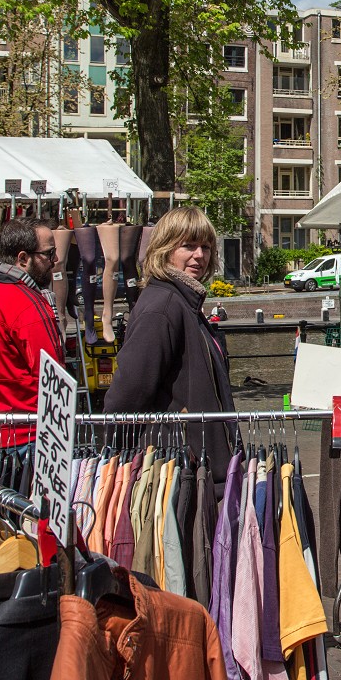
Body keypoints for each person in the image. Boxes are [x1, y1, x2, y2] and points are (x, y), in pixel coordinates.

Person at [106, 205, 238, 489]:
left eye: (205, 246)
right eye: (188, 246)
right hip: (178, 469)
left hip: (196, 466)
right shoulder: (163, 307)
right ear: (165, 249)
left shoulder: (186, 303)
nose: (199, 255)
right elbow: (127, 395)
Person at [0, 216, 62, 446]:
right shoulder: (28, 306)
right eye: (49, 253)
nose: (55, 260)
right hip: (27, 436)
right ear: (23, 258)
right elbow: (53, 378)